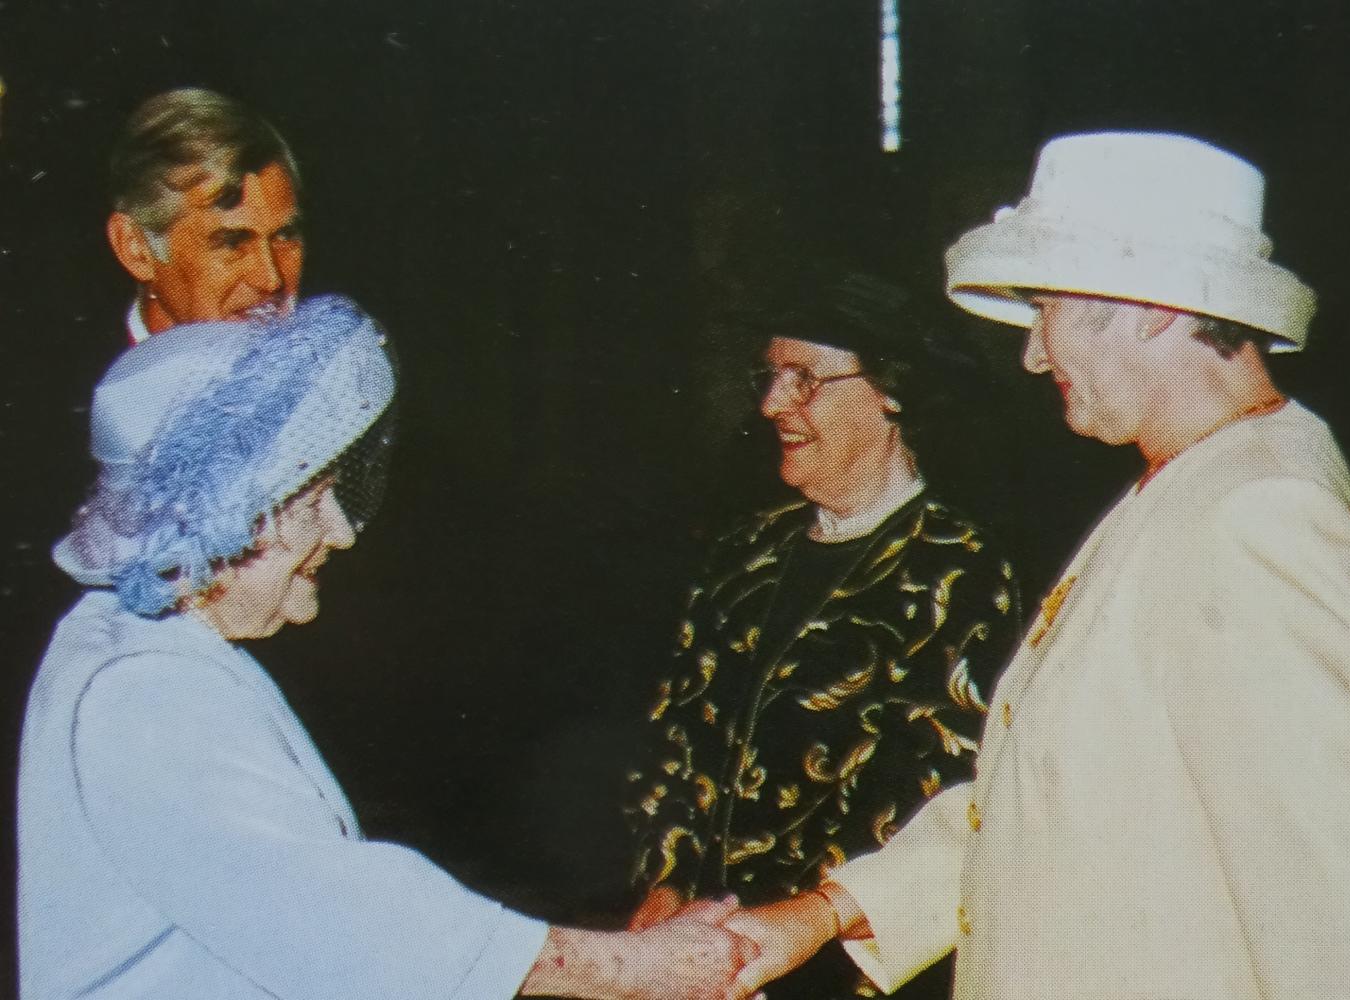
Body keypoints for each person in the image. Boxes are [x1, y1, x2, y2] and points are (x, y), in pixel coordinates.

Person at [721, 133, 1350, 999]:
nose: (1033, 354)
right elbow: (1048, 805)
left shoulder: (1258, 518)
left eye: (1046, 312)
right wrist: (823, 913)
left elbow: (1336, 917)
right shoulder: (1188, 485)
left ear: (1151, 307)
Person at [17, 295, 755, 1000]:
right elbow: (348, 924)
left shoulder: (147, 646)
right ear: (222, 527)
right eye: (310, 502)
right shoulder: (145, 690)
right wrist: (632, 970)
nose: (338, 532)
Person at [623, 269, 1023, 1000]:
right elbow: (674, 738)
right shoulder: (745, 553)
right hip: (698, 960)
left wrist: (777, 937)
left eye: (805, 379)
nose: (774, 404)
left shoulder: (958, 572)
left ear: (892, 394)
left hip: (842, 969)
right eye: (770, 376)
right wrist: (666, 888)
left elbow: (924, 800)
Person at [105, 88, 304, 343]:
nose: (271, 279)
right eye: (233, 242)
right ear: (136, 250)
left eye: (284, 236)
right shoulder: (90, 381)